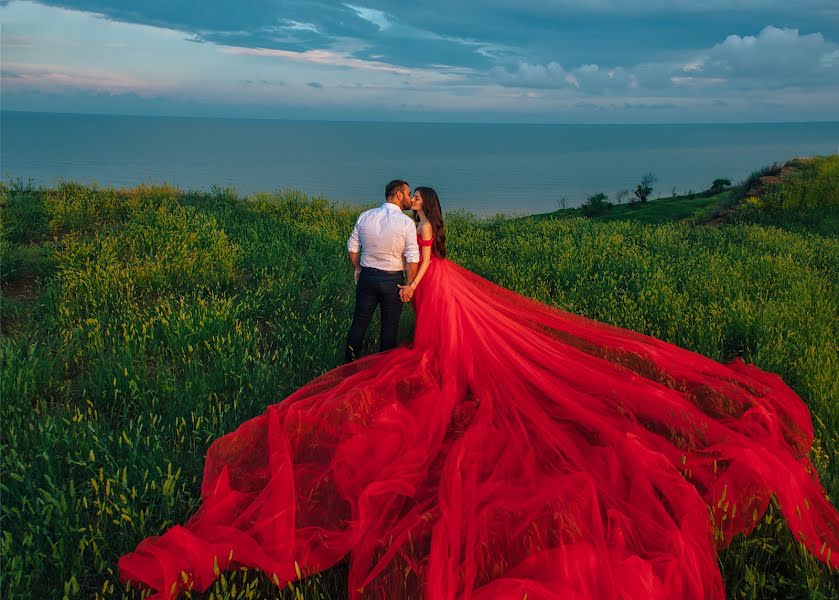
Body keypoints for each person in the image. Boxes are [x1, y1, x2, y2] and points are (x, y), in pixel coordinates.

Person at [118, 187, 839, 599]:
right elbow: (424, 250)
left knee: (453, 381)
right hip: (444, 286)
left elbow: (422, 265)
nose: (405, 205)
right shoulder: (420, 225)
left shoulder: (418, 233)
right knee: (449, 363)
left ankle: (441, 367)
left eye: (410, 202)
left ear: (418, 210)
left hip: (436, 288)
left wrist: (408, 282)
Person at [345, 179, 419, 362]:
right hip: (392, 281)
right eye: (408, 194)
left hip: (367, 277)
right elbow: (412, 257)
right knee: (389, 327)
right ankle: (383, 368)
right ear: (398, 194)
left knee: (359, 323)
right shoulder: (406, 223)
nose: (410, 198)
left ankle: (348, 363)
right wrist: (410, 284)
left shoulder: (365, 215)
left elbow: (352, 247)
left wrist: (357, 268)